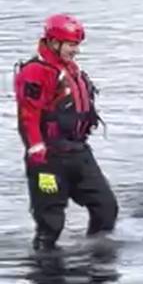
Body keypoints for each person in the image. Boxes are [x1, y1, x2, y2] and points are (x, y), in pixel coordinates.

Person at [14, 14, 118, 251]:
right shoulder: (36, 72)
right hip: (48, 160)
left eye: (77, 45)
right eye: (72, 45)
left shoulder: (69, 68)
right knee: (51, 224)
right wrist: (36, 148)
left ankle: (96, 264)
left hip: (78, 153)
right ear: (53, 43)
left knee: (105, 207)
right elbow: (28, 115)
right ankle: (46, 273)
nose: (76, 51)